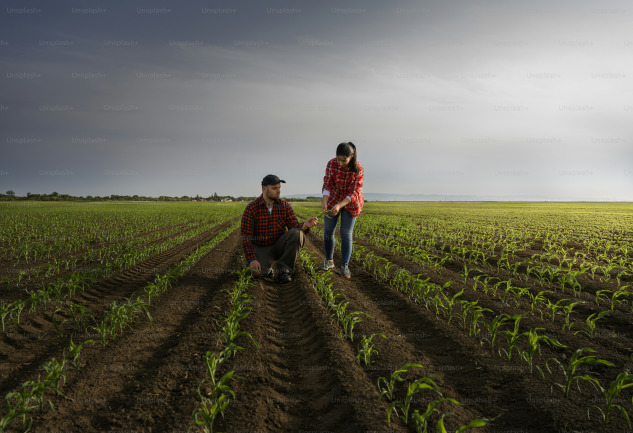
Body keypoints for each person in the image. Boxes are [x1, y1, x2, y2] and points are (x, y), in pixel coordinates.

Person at [241, 174, 318, 284]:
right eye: (274, 188)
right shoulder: (252, 208)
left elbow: (293, 227)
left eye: (279, 188)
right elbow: (246, 237)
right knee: (254, 275)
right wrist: (252, 259)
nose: (278, 191)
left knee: (297, 234)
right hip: (262, 247)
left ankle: (284, 271)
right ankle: (268, 270)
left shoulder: (284, 205)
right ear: (264, 189)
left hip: (279, 245)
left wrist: (305, 225)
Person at [321, 142, 364, 278]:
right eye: (338, 159)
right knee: (328, 230)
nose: (340, 163)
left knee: (345, 233)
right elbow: (327, 183)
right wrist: (325, 203)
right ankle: (329, 261)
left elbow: (354, 192)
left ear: (351, 157)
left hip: (351, 203)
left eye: (343, 160)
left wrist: (340, 205)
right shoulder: (331, 164)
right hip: (333, 198)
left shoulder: (358, 169)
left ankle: (344, 266)